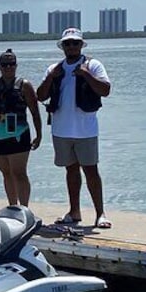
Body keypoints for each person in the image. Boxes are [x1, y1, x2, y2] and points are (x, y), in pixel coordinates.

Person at [36, 28, 112, 228]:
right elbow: (40, 95)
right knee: (70, 170)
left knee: (91, 170)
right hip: (61, 130)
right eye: (67, 43)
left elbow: (105, 90)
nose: (71, 46)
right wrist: (51, 77)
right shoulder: (55, 69)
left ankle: (100, 213)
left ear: (81, 45)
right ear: (62, 46)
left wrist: (86, 75)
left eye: (75, 43)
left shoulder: (93, 65)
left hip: (85, 130)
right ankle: (74, 211)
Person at [0, 49, 43, 207]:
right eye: (5, 65)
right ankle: (13, 206)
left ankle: (25, 208)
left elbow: (35, 112)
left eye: (11, 64)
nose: (8, 68)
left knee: (19, 173)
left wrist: (39, 135)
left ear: (16, 65)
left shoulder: (24, 85)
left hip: (18, 135)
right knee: (6, 173)